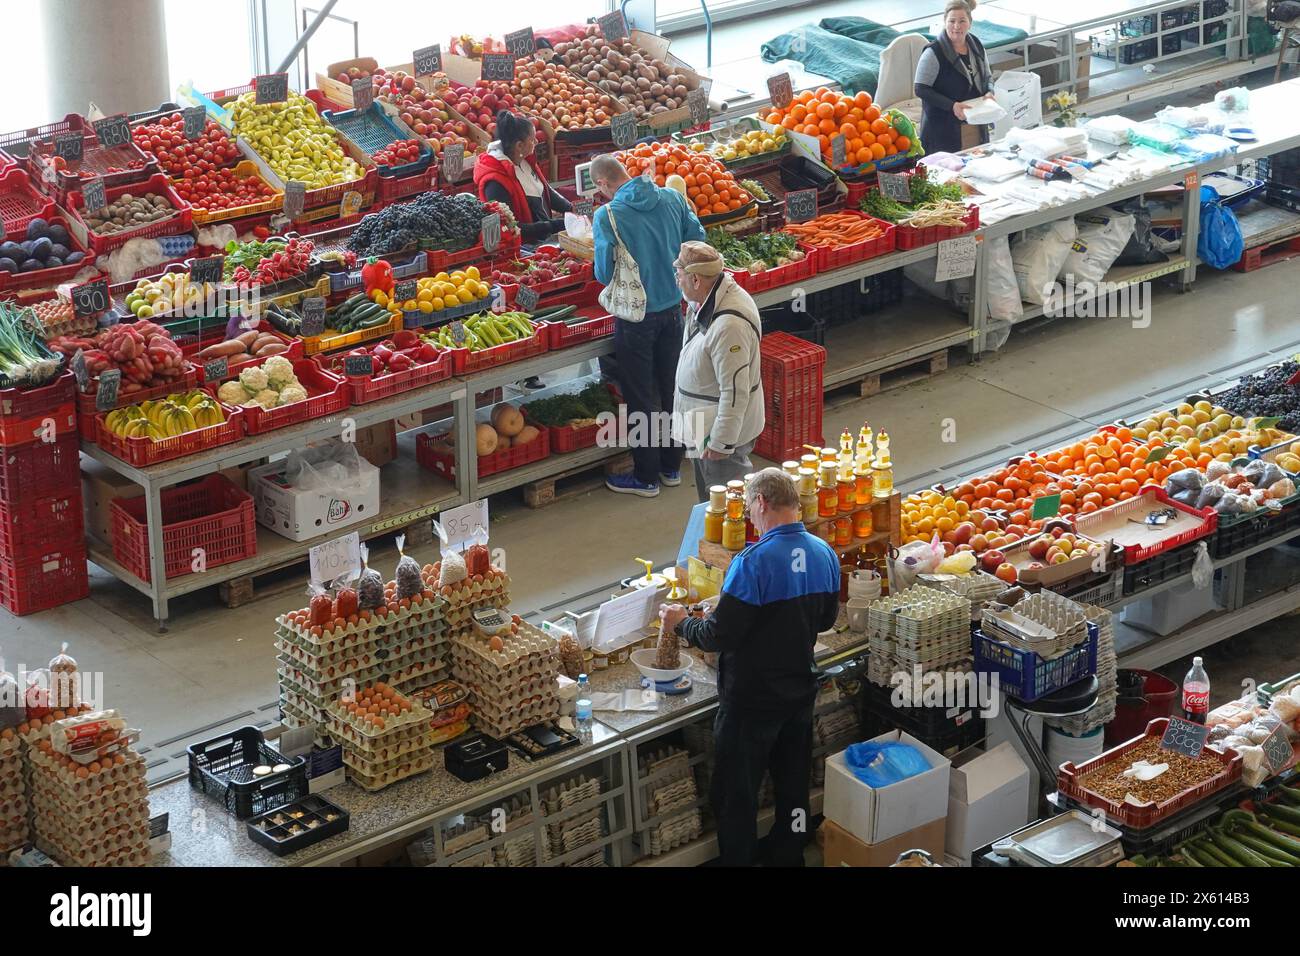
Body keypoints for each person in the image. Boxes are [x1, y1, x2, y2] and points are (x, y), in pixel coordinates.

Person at [660, 469, 840, 866]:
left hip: (752, 703)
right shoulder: (824, 553)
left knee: (736, 795)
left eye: (750, 511)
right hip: (799, 694)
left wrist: (680, 623)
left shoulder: (752, 563)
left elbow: (719, 635)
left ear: (760, 503)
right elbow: (826, 620)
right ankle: (790, 854)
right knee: (792, 787)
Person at [590, 153, 705, 498]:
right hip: (673, 308)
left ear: (602, 183)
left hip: (634, 318)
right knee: (672, 388)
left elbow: (602, 273)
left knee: (641, 397)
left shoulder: (608, 215)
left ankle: (645, 477)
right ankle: (672, 466)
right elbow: (697, 237)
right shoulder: (670, 196)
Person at [671, 241, 765, 503]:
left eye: (679, 276)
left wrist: (721, 442)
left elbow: (735, 391)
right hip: (701, 426)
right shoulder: (705, 299)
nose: (677, 282)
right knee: (710, 503)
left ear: (696, 280)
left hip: (717, 434)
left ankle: (735, 545)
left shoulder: (729, 326)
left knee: (728, 506)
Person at [473, 110, 572, 245]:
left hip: (545, 240)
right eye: (532, 139)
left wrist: (571, 209)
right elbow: (511, 226)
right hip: (525, 247)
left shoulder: (525, 160)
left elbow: (545, 190)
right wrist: (556, 225)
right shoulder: (495, 182)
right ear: (519, 145)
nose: (537, 141)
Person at [914, 0, 996, 155]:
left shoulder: (976, 45)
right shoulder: (933, 52)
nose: (956, 26)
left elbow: (988, 76)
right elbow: (920, 89)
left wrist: (990, 92)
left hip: (975, 123)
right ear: (945, 22)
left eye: (962, 21)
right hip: (942, 130)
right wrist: (952, 105)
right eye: (951, 21)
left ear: (970, 23)